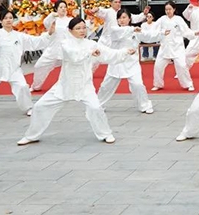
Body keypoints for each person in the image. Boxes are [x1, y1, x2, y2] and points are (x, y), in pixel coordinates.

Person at [17, 17, 135, 145]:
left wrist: (125, 52)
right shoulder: (65, 44)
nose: (82, 31)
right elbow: (74, 56)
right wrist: (90, 53)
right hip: (64, 85)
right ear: (70, 30)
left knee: (95, 108)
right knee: (40, 106)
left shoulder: (91, 44)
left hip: (85, 85)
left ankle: (106, 134)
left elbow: (109, 54)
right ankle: (32, 135)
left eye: (84, 27)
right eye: (78, 28)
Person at [97, 9, 160, 114]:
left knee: (138, 84)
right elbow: (120, 33)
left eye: (124, 17)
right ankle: (97, 105)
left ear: (129, 19)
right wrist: (132, 29)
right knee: (106, 86)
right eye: (120, 18)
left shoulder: (135, 31)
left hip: (132, 63)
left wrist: (162, 34)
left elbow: (149, 36)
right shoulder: (114, 30)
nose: (122, 20)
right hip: (116, 62)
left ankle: (145, 105)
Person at [151, 1, 199, 92]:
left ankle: (188, 84)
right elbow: (153, 28)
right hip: (165, 47)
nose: (168, 11)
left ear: (174, 9)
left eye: (170, 9)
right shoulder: (162, 19)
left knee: (182, 66)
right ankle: (158, 84)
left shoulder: (178, 19)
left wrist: (194, 33)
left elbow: (186, 31)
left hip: (177, 48)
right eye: (166, 9)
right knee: (158, 66)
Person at [90, 0, 149, 70]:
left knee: (120, 55)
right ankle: (90, 71)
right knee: (97, 55)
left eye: (119, 2)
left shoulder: (123, 13)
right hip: (106, 39)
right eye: (115, 2)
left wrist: (143, 14)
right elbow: (101, 11)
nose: (118, 4)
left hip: (119, 39)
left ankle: (122, 70)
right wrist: (97, 9)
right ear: (111, 3)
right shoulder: (108, 12)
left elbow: (134, 18)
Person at [31, 1, 73, 92]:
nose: (63, 9)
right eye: (61, 7)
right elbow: (46, 23)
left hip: (66, 49)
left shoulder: (69, 20)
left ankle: (70, 88)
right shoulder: (53, 19)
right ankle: (36, 86)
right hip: (53, 48)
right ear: (56, 9)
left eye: (64, 7)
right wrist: (52, 15)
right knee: (39, 66)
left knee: (70, 70)